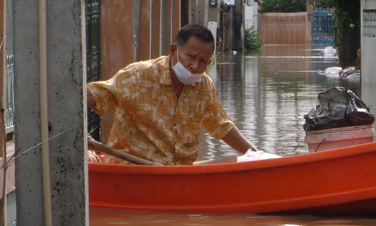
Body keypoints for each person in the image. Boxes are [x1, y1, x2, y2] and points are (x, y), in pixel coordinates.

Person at [86, 24, 258, 165]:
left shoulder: (203, 86)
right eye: (190, 57)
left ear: (209, 62)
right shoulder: (137, 76)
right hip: (132, 172)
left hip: (179, 175)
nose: (195, 66)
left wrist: (255, 154)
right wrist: (82, 141)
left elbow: (220, 125)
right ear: (174, 50)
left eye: (202, 61)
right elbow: (90, 96)